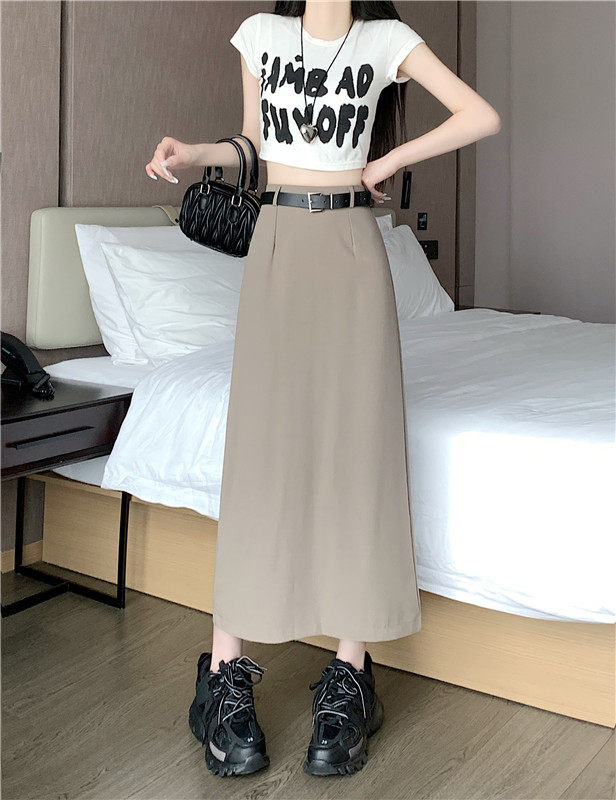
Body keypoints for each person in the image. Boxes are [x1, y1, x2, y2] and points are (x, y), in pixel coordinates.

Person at [145, 0, 500, 779]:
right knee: (261, 454)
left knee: (356, 451)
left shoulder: (386, 40)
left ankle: (350, 671)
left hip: (351, 249)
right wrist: (195, 151)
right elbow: (254, 143)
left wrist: (387, 161)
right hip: (276, 242)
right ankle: (223, 673)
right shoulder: (260, 35)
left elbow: (479, 115)